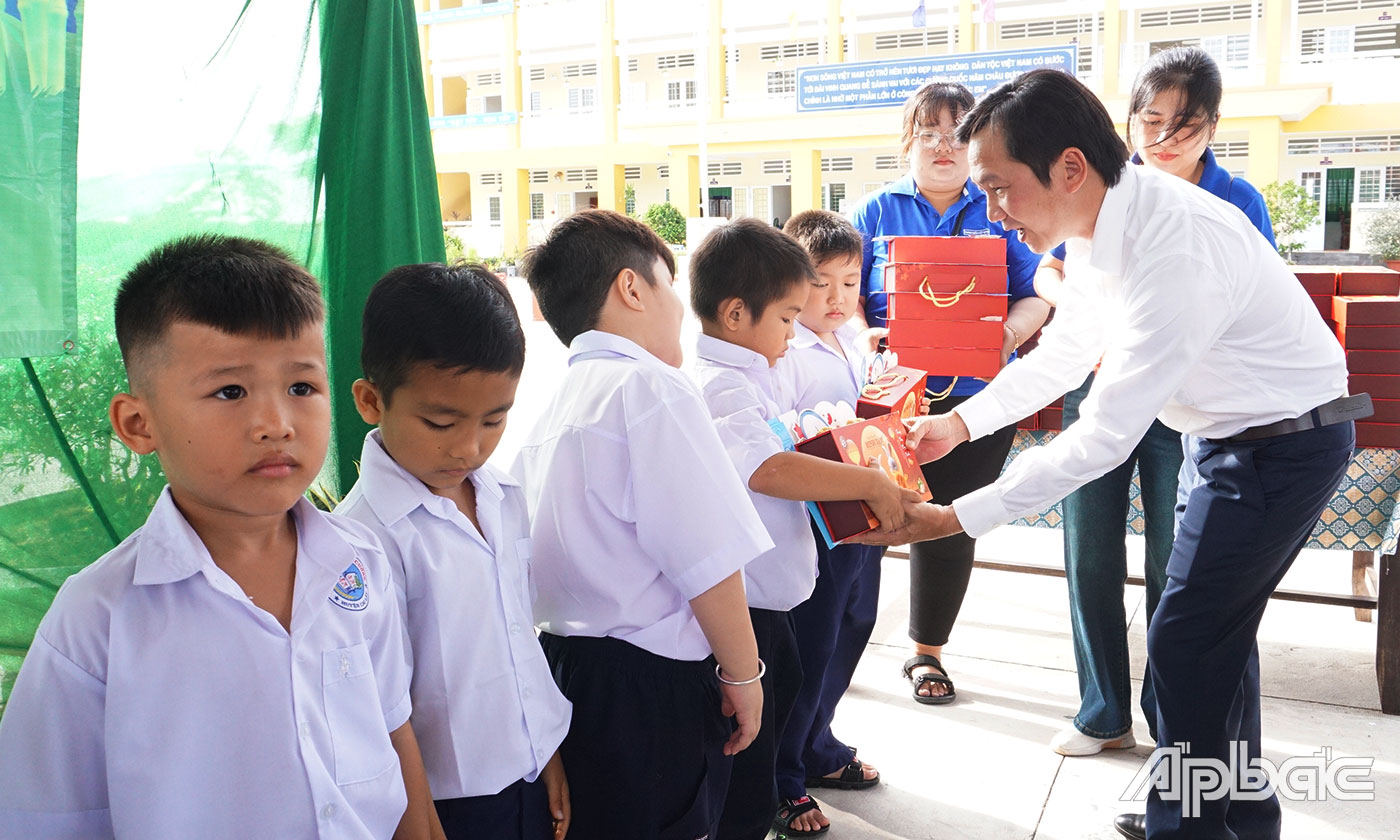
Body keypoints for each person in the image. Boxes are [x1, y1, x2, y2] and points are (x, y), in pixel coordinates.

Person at [866, 70, 1359, 840]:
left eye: (999, 187)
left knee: (1187, 637)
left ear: (1068, 167)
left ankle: (1189, 827)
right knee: (1211, 638)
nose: (991, 210)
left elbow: (1102, 435)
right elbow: (1066, 352)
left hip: (1281, 446)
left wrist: (956, 517)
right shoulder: (1107, 225)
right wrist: (959, 426)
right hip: (1228, 436)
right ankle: (1229, 815)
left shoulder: (1173, 245)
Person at [0, 234, 439, 839]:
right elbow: (50, 818)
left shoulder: (360, 565)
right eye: (230, 391)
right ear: (138, 423)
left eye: (301, 387)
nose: (276, 424)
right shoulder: (98, 618)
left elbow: (391, 728)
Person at [1032, 47, 1280, 759]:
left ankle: (1179, 731)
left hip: (1192, 404)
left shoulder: (1239, 199)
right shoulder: (1104, 186)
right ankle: (1101, 711)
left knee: (1183, 566)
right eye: (1151, 120)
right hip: (1102, 384)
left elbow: (1247, 304)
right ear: (1129, 120)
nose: (1165, 139)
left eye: (1186, 125)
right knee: (1089, 550)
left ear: (1213, 126)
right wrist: (1074, 301)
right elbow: (1050, 267)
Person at [510, 210, 773, 840]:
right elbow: (707, 559)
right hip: (648, 687)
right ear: (632, 288)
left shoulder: (550, 407)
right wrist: (744, 676)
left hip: (567, 670)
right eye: (669, 286)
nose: (679, 308)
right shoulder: (652, 388)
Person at [685, 217, 913, 840]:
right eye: (787, 317)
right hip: (749, 599)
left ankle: (770, 795)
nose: (796, 330)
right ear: (735, 314)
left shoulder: (760, 366)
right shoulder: (723, 383)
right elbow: (768, 468)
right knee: (746, 748)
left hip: (777, 589)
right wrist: (867, 483)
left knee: (786, 700)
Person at [335, 263, 572, 840]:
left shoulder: (501, 494)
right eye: (440, 421)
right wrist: (418, 821)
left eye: (495, 420)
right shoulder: (361, 542)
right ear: (371, 400)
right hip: (443, 804)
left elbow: (519, 637)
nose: (470, 448)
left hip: (530, 775)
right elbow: (377, 708)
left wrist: (548, 755)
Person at [847, 81, 1051, 705]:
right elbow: (839, 292)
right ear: (906, 144)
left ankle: (926, 653)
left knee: (949, 526)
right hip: (885, 398)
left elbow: (1039, 288)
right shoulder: (873, 213)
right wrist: (863, 334)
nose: (942, 146)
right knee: (860, 522)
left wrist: (1011, 334)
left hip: (973, 401)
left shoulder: (1001, 209)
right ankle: (842, 642)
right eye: (927, 132)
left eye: (956, 132)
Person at [772, 209, 892, 836]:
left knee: (855, 621)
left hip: (861, 517)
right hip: (812, 524)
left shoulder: (852, 339)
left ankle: (817, 741)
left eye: (851, 281)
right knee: (809, 642)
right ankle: (783, 779)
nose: (839, 297)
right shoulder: (785, 350)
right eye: (823, 283)